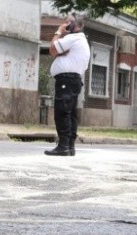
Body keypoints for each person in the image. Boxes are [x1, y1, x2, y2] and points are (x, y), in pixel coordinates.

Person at [45, 13, 90, 157]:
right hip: (74, 80)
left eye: (68, 22)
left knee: (62, 111)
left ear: (75, 25)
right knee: (71, 113)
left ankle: (63, 146)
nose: (65, 23)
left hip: (66, 79)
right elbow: (58, 52)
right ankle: (69, 146)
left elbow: (52, 49)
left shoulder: (72, 38)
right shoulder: (81, 40)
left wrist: (59, 31)